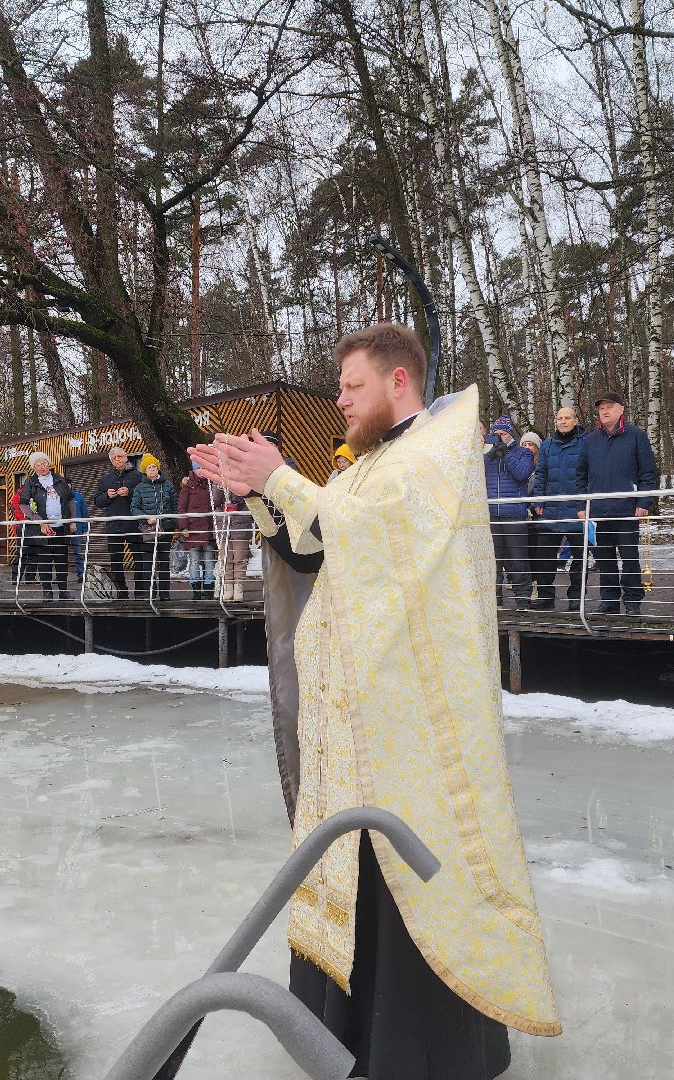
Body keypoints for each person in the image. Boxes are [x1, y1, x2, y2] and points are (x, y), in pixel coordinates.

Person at [189, 322, 561, 1080]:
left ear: (399, 381)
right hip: (354, 730)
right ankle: (351, 1034)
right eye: (338, 389)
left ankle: (421, 1052)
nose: (341, 402)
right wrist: (260, 490)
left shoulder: (437, 450)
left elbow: (376, 529)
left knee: (406, 884)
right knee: (349, 871)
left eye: (352, 387)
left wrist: (282, 475)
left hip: (413, 730)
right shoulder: (371, 464)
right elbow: (319, 543)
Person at [575, 391, 657, 615]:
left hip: (627, 509)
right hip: (599, 511)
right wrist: (582, 505)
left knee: (629, 558)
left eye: (609, 406)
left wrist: (645, 501)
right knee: (604, 559)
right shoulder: (590, 440)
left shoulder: (636, 436)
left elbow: (648, 472)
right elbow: (581, 475)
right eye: (601, 408)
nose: (605, 411)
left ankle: (632, 600)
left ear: (621, 409)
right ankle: (609, 600)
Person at [531, 407, 586, 611]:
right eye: (560, 418)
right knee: (544, 556)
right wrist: (539, 502)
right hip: (550, 510)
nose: (563, 421)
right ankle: (545, 596)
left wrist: (585, 505)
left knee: (580, 557)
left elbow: (588, 475)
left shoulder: (585, 443)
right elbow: (541, 474)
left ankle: (576, 597)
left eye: (567, 418)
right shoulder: (547, 445)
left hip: (577, 511)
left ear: (575, 420)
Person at [484, 414, 535, 607]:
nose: (499, 437)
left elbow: (522, 473)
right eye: (495, 433)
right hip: (491, 514)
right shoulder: (487, 454)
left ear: (510, 435)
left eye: (503, 434)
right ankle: (494, 598)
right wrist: (486, 452)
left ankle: (522, 597)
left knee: (517, 558)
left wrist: (506, 453)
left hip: (514, 513)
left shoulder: (523, 452)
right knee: (493, 559)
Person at [17, 451, 76, 601]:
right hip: (42, 527)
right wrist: (39, 521)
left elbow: (70, 501)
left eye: (44, 463)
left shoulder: (60, 480)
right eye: (38, 464)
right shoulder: (30, 482)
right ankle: (47, 591)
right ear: (34, 467)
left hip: (61, 526)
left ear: (48, 464)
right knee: (45, 561)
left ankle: (63, 591)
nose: (42, 467)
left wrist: (73, 520)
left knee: (61, 560)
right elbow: (23, 504)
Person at [94, 447, 143, 599]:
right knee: (116, 560)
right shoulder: (105, 479)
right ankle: (121, 591)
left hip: (134, 524)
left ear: (126, 457)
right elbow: (97, 502)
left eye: (120, 456)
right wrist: (107, 496)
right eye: (114, 458)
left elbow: (144, 495)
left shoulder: (138, 476)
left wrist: (130, 492)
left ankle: (140, 591)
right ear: (111, 461)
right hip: (114, 525)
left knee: (139, 558)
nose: (118, 460)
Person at [131, 459, 177, 601]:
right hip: (147, 529)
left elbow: (175, 507)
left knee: (164, 562)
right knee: (148, 562)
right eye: (149, 467)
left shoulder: (168, 485)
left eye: (154, 466)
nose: (152, 469)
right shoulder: (139, 487)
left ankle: (165, 594)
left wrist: (173, 524)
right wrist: (146, 517)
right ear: (145, 470)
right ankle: (150, 593)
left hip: (166, 528)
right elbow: (134, 507)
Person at [178, 464, 217, 599]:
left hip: (208, 527)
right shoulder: (187, 486)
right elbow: (181, 508)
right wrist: (183, 527)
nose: (201, 471)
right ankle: (195, 587)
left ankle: (208, 587)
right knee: (194, 560)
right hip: (192, 528)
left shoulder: (211, 484)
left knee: (209, 559)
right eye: (198, 468)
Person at [216, 482, 253, 602]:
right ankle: (228, 588)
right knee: (225, 559)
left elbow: (248, 499)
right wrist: (219, 487)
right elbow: (215, 501)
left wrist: (236, 490)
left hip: (241, 524)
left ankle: (238, 588)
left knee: (240, 559)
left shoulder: (243, 479)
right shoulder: (218, 480)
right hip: (223, 524)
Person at [70, 487, 91, 584]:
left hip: (77, 529)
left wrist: (85, 528)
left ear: (71, 485)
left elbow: (84, 513)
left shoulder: (79, 496)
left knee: (78, 553)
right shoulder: (58, 496)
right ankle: (60, 576)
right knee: (60, 553)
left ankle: (81, 574)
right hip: (62, 529)